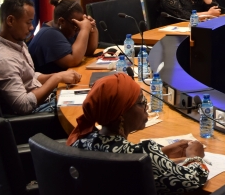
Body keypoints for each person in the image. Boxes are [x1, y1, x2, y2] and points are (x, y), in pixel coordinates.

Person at [68, 73, 208, 193]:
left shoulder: (82, 142)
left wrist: (162, 152)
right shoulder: (141, 154)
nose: (146, 108)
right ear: (121, 114)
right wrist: (195, 156)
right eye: (141, 103)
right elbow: (193, 179)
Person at [0, 0, 81, 114]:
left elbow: (29, 76)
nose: (31, 27)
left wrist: (59, 75)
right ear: (10, 21)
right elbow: (23, 105)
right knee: (88, 107)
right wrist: (56, 79)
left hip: (44, 100)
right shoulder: (3, 61)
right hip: (35, 115)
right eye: (28, 22)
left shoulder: (17, 43)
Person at [28, 0, 99, 74]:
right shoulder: (49, 34)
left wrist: (92, 28)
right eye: (76, 26)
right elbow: (73, 61)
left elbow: (87, 52)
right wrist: (84, 29)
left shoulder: (66, 29)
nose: (78, 29)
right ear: (62, 21)